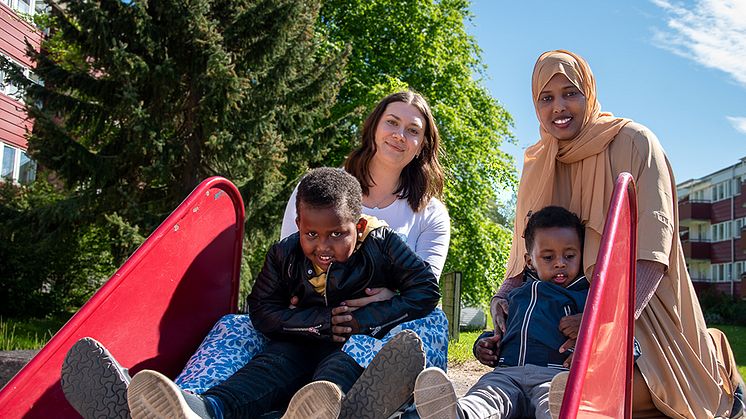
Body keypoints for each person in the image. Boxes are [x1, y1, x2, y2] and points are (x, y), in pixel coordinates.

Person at [475, 50, 744, 418]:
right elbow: (524, 256)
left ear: (589, 92)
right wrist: (502, 303)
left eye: (571, 93)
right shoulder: (537, 162)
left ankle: (713, 357)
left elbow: (652, 254)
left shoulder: (635, 142)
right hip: (559, 314)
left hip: (635, 309)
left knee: (605, 393)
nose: (559, 107)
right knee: (538, 387)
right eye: (546, 98)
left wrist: (600, 324)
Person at [63, 167, 440, 419]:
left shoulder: (383, 244)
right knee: (265, 372)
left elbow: (426, 290)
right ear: (299, 225)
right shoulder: (285, 253)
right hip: (300, 337)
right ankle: (200, 409)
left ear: (358, 226)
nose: (323, 247)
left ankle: (323, 411)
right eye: (312, 234)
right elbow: (261, 308)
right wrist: (316, 322)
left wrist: (363, 318)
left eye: (337, 235)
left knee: (331, 379)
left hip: (354, 342)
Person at [173, 90, 451, 405]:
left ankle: (371, 402)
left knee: (428, 323)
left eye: (413, 130)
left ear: (423, 145)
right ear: (374, 127)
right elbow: (291, 264)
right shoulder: (320, 188)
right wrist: (314, 313)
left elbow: (424, 288)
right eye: (392, 122)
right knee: (236, 326)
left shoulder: (430, 214)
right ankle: (188, 401)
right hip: (307, 317)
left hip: (377, 326)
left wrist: (383, 303)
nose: (400, 135)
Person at [413, 206, 588, 419]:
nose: (560, 263)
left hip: (554, 376)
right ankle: (457, 414)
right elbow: (503, 331)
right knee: (487, 395)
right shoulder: (515, 297)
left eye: (569, 256)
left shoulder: (584, 296)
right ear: (529, 261)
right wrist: (485, 345)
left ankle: (563, 413)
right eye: (548, 257)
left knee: (552, 401)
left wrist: (588, 325)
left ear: (582, 255)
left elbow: (620, 341)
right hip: (507, 373)